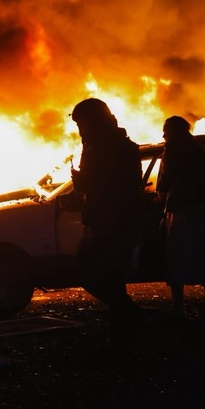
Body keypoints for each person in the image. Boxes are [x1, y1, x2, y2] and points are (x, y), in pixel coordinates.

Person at [70, 98, 144, 349]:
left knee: (94, 273)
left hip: (112, 221)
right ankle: (123, 331)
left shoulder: (108, 148)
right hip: (113, 219)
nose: (80, 129)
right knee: (109, 277)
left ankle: (126, 324)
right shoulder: (110, 145)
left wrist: (82, 182)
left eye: (82, 123)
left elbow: (106, 186)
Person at [157, 115, 205, 319]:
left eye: (166, 130)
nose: (163, 134)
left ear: (172, 131)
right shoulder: (198, 149)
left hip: (185, 210)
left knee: (177, 255)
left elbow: (166, 179)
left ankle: (179, 309)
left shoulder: (174, 148)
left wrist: (160, 192)